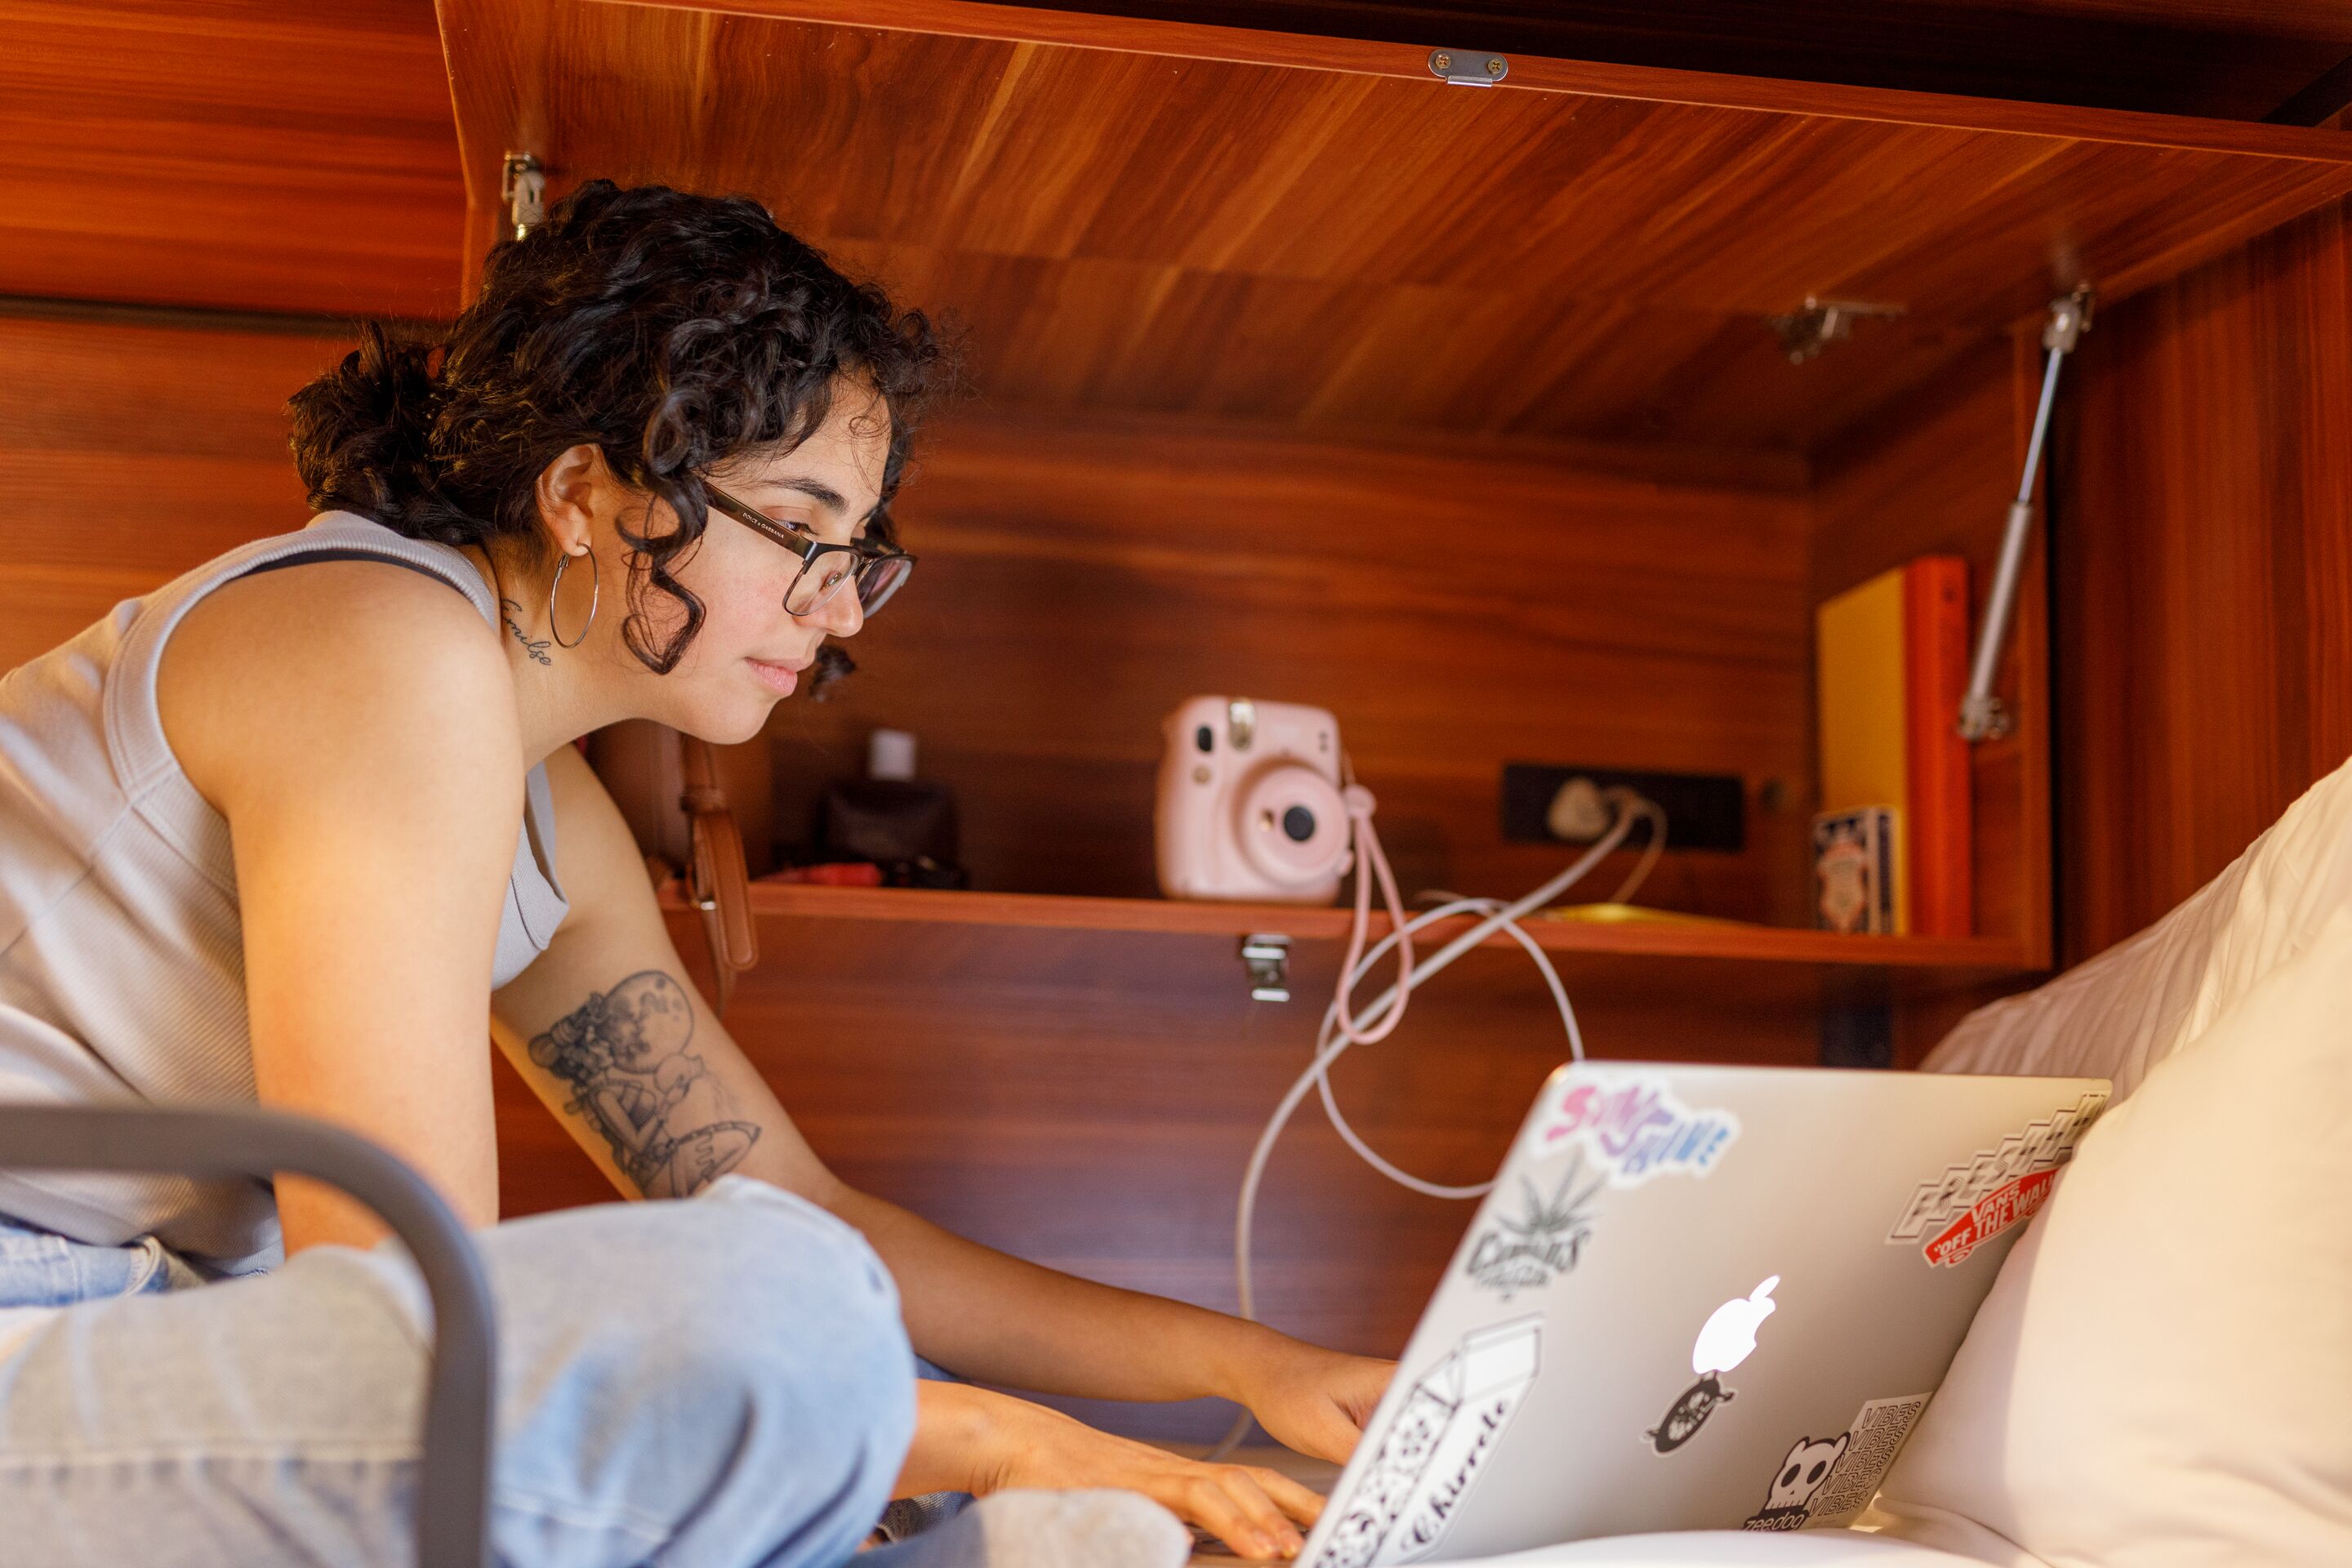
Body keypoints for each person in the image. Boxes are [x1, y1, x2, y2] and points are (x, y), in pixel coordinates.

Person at [0, 180, 1391, 1566]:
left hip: (150, 1331)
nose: (841, 610)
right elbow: (404, 1317)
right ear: (583, 495)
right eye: (801, 528)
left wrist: (1260, 1366)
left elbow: (803, 1209)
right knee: (792, 1326)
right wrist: (999, 1438)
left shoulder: (541, 804)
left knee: (821, 1312)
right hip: (41, 1315)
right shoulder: (384, 655)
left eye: (859, 552)